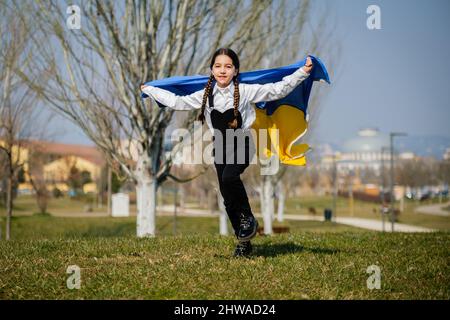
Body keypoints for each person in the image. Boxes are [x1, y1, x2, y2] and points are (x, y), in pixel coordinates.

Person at [141, 48, 313, 257]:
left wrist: (303, 72)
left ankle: (248, 219)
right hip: (220, 146)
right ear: (212, 70)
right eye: (218, 66)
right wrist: (150, 90)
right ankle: (244, 241)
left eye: (228, 66)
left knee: (230, 177)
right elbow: (177, 101)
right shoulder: (205, 95)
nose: (222, 70)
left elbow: (277, 90)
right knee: (227, 197)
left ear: (236, 70)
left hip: (242, 142)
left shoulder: (246, 91)